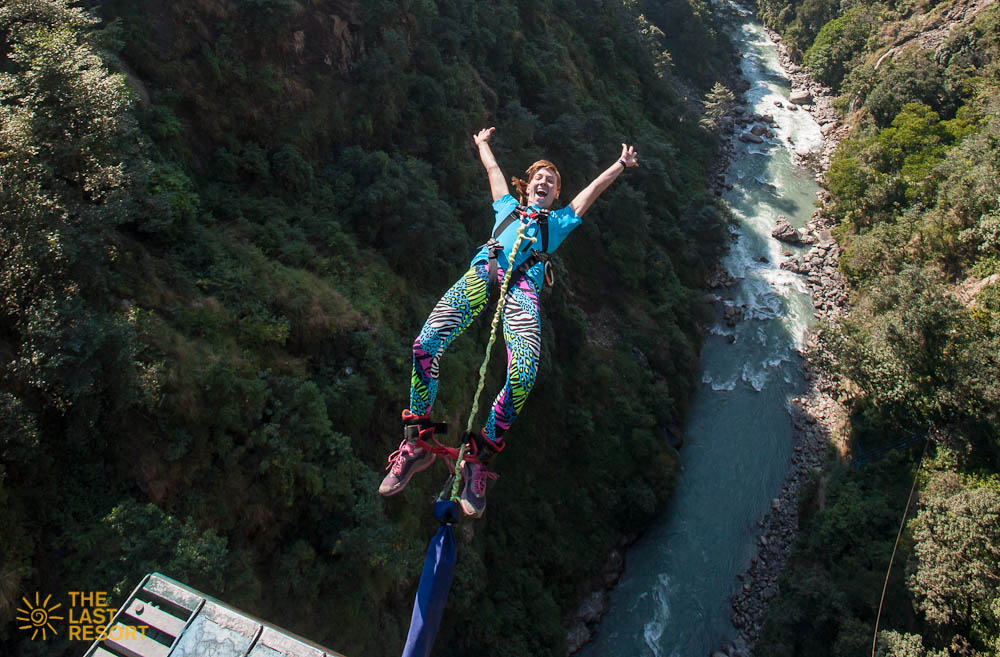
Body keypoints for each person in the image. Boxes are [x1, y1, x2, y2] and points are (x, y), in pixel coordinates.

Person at [379, 127, 639, 517]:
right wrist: (483, 143)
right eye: (539, 177)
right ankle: (417, 441)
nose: (545, 182)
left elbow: (591, 193)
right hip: (484, 275)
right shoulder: (505, 206)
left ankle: (478, 457)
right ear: (528, 186)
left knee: (523, 373)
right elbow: (493, 170)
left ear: (554, 196)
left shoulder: (558, 224)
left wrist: (620, 164)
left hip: (521, 291)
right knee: (425, 345)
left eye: (551, 182)